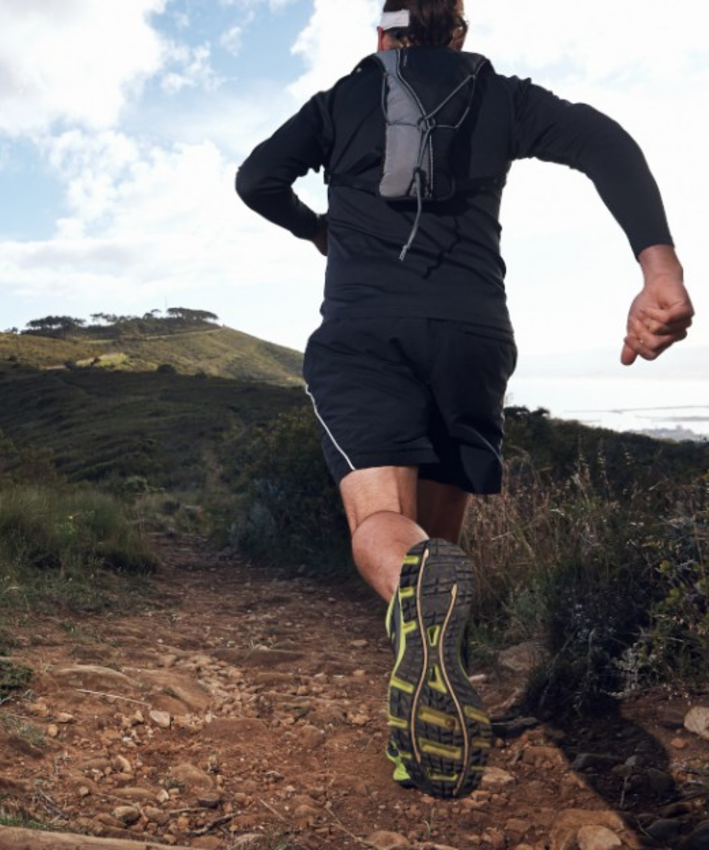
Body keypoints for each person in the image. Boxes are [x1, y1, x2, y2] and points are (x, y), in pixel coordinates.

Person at [235, 0, 693, 798]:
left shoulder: (339, 101)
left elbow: (256, 179)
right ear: (459, 33)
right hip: (472, 339)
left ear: (383, 35)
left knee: (391, 534)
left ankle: (419, 720)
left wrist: (316, 229)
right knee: (434, 555)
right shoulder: (500, 95)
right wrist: (660, 270)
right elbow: (604, 142)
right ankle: (416, 736)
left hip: (366, 335)